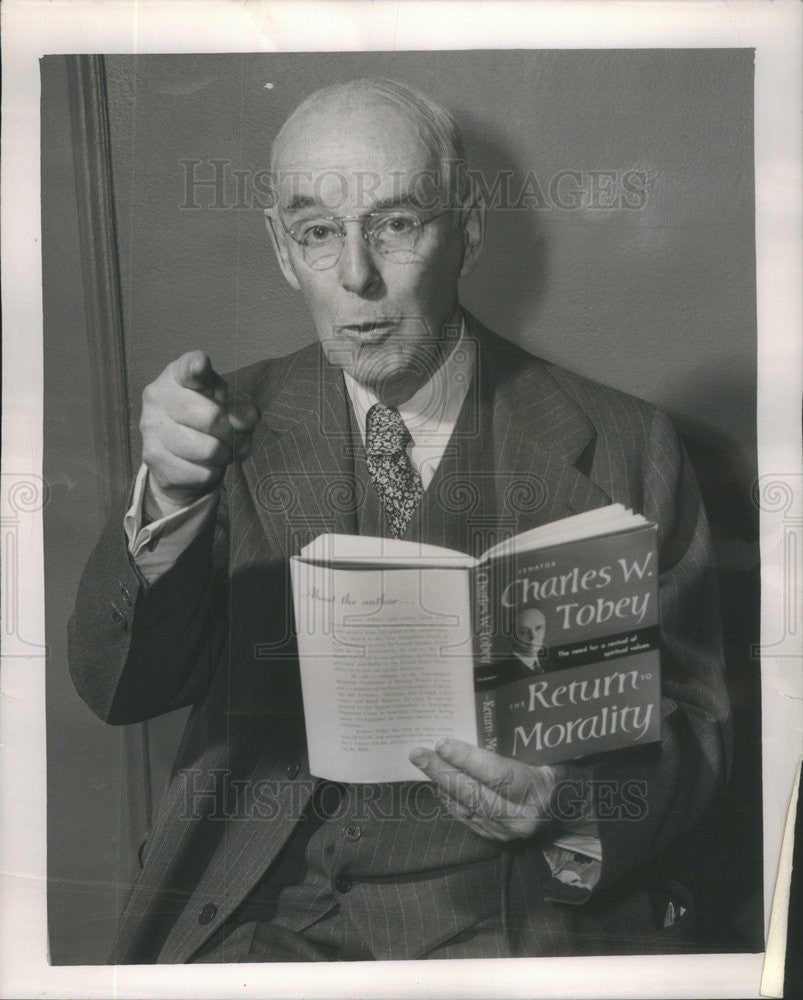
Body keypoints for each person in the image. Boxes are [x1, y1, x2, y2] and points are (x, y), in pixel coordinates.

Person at [69, 77, 731, 964]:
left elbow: (691, 727)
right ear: (278, 248)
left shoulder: (623, 443)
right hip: (250, 922)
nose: (355, 276)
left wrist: (567, 800)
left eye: (395, 224)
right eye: (317, 234)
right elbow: (121, 689)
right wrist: (169, 501)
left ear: (467, 230)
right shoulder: (223, 427)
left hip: (503, 923)